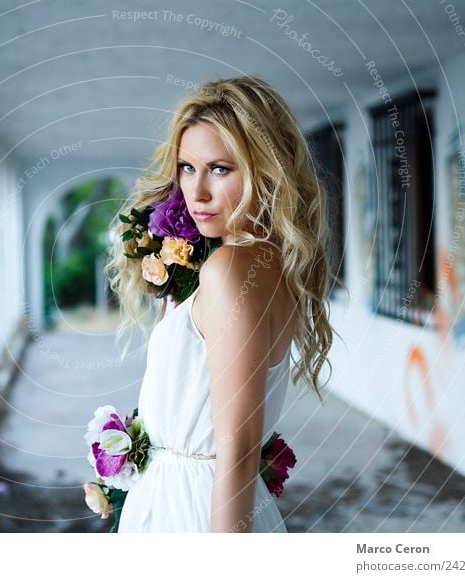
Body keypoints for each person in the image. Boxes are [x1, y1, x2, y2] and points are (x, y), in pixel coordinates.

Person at [104, 75, 336, 533]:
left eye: (220, 169)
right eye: (187, 167)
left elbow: (240, 445)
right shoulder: (262, 262)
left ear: (267, 171)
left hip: (194, 511)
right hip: (183, 497)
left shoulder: (231, 270)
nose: (197, 192)